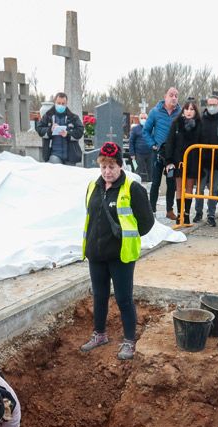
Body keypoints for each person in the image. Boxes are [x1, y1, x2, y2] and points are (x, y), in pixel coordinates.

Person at [79, 142, 155, 360]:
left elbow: (147, 221)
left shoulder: (132, 188)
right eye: (103, 167)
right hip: (96, 254)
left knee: (123, 298)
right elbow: (91, 215)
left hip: (120, 255)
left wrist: (128, 235)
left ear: (120, 166)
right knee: (99, 296)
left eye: (111, 166)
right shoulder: (93, 186)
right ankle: (99, 334)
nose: (107, 172)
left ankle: (129, 340)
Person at [142, 88, 181, 219]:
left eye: (176, 95)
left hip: (172, 155)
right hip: (158, 152)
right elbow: (146, 131)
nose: (174, 98)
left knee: (171, 183)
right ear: (165, 96)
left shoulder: (180, 113)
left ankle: (169, 210)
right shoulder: (155, 112)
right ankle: (151, 209)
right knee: (156, 182)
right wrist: (152, 145)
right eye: (171, 95)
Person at [163, 101, 203, 223]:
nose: (189, 111)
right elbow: (170, 142)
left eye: (191, 109)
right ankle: (180, 214)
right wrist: (169, 160)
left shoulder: (199, 125)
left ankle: (186, 214)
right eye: (186, 109)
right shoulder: (176, 123)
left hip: (193, 160)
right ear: (183, 111)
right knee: (179, 188)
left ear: (195, 111)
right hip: (178, 160)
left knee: (189, 188)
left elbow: (203, 142)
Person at [197, 95, 218, 226]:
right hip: (203, 160)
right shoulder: (201, 119)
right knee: (200, 189)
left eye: (214, 104)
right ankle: (198, 212)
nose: (212, 107)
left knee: (214, 189)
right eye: (209, 104)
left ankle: (211, 214)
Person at [38, 92, 86, 166]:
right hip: (54, 154)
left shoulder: (73, 117)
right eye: (59, 103)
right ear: (55, 102)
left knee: (70, 177)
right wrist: (50, 130)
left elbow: (80, 131)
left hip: (71, 156)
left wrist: (68, 134)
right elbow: (39, 128)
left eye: (63, 103)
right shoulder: (48, 116)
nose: (61, 105)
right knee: (56, 175)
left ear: (66, 104)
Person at [128, 112, 151, 181]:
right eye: (142, 118)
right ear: (139, 119)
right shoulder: (135, 129)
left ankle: (150, 184)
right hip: (139, 153)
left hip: (150, 153)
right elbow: (131, 141)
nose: (143, 119)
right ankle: (137, 184)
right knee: (138, 170)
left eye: (145, 118)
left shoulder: (151, 128)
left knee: (151, 170)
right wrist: (132, 154)